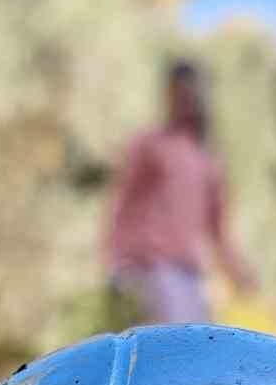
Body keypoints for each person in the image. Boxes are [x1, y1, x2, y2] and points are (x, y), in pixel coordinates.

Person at [106, 60, 256, 325]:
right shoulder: (150, 145)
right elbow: (124, 205)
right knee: (171, 349)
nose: (185, 99)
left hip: (191, 272)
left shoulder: (207, 159)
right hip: (153, 267)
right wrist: (118, 262)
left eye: (191, 91)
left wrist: (236, 269)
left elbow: (217, 227)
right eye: (178, 92)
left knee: (200, 349)